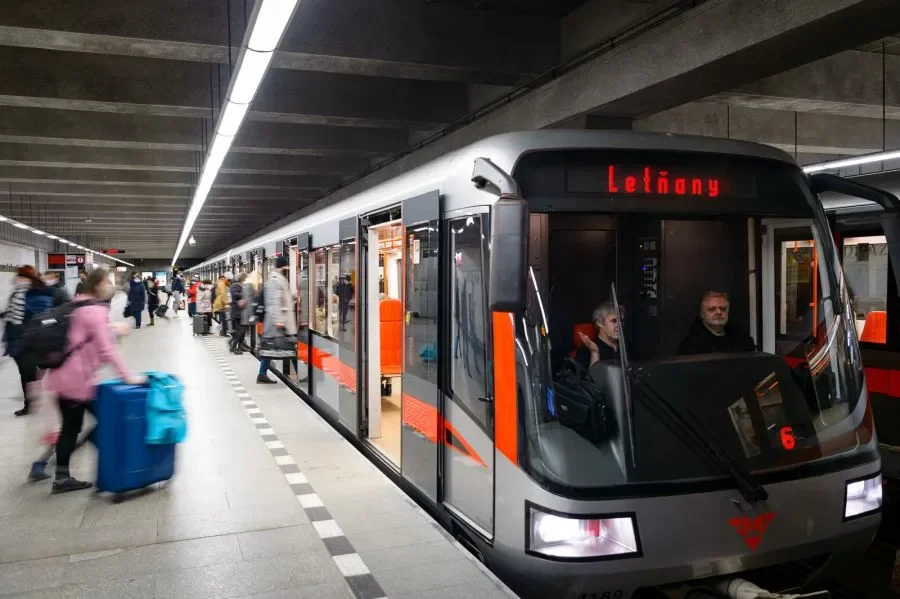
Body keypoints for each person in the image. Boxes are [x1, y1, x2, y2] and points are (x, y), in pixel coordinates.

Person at [42, 267, 144, 493]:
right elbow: (107, 350)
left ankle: (60, 473)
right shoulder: (94, 311)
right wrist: (128, 377)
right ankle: (109, 468)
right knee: (108, 418)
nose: (111, 286)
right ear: (97, 285)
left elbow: (86, 334)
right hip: (77, 381)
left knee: (72, 426)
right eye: (108, 281)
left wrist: (112, 328)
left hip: (63, 377)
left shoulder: (78, 304)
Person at [2, 266, 56, 416]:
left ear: (27, 278)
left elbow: (42, 318)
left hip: (29, 341)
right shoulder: (17, 294)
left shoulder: (38, 295)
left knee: (29, 373)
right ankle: (33, 401)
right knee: (26, 373)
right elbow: (11, 318)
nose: (16, 279)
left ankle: (32, 403)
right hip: (16, 340)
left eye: (19, 276)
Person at [677, 291, 755, 355]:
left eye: (723, 309)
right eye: (711, 309)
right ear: (702, 314)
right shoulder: (690, 347)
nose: (718, 312)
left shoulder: (743, 341)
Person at [259, 256, 298, 384]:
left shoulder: (276, 279)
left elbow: (281, 298)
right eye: (286, 266)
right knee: (286, 347)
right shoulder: (275, 279)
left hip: (280, 319)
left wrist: (292, 297)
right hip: (279, 321)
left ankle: (262, 374)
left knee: (272, 348)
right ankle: (262, 374)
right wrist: (279, 321)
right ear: (284, 266)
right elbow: (274, 302)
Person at [575, 302, 622, 370]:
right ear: (599, 323)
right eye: (614, 321)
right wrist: (594, 352)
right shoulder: (586, 350)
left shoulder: (626, 347)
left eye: (621, 321)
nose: (619, 325)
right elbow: (586, 380)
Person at [229, 273, 249, 354]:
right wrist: (245, 294)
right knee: (241, 329)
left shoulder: (241, 285)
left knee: (243, 330)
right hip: (237, 311)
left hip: (242, 311)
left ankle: (240, 346)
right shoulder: (235, 285)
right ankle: (233, 347)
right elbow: (234, 295)